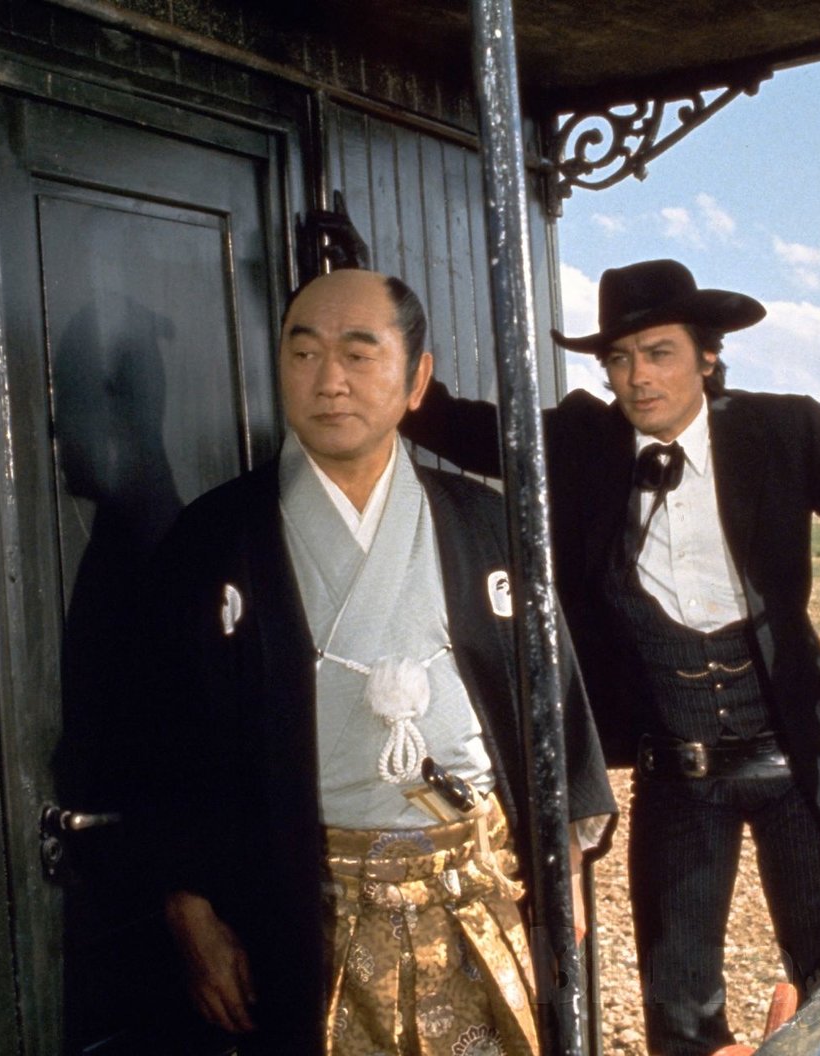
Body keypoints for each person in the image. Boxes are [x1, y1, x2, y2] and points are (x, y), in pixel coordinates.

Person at [403, 258, 820, 1055]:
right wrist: (368, 316)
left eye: (659, 352)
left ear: (707, 355)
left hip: (797, 766)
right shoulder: (577, 444)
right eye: (620, 358)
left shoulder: (783, 432)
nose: (638, 376)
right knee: (676, 1009)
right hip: (677, 777)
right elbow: (447, 422)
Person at [143, 268, 615, 1054]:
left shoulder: (489, 524)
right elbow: (163, 745)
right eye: (304, 354)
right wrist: (189, 908)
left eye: (359, 355)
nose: (329, 381)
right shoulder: (213, 538)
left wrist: (561, 888)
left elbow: (556, 715)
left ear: (417, 378)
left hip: (477, 894)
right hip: (300, 903)